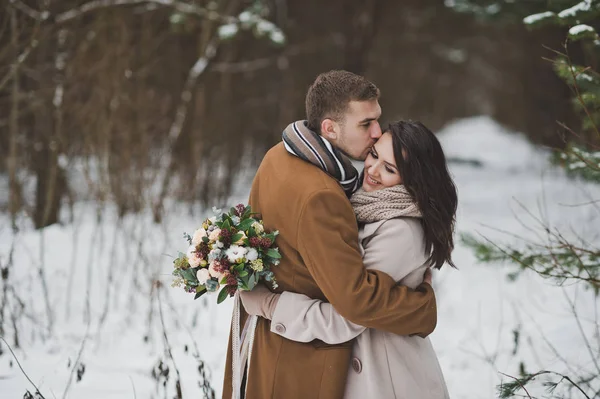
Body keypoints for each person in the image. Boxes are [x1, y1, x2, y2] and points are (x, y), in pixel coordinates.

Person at [221, 70, 438, 399]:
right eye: (366, 124)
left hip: (267, 342)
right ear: (329, 128)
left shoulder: (278, 155)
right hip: (303, 355)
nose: (377, 133)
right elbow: (358, 303)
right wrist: (421, 308)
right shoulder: (324, 196)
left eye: (377, 120)